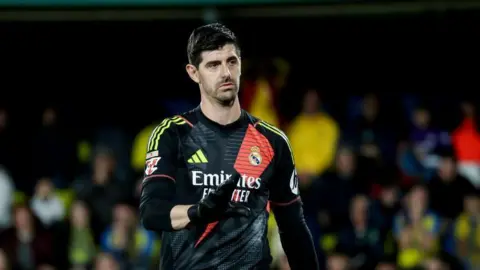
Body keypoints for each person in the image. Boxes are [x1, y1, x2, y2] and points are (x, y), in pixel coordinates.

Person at [139, 23, 319, 270]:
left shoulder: (273, 141)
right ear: (194, 73)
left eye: (231, 62)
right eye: (213, 65)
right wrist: (199, 212)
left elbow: (294, 228)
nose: (225, 73)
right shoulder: (173, 133)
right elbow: (152, 212)